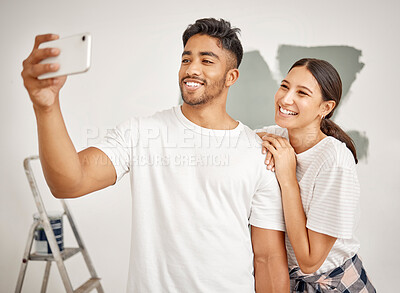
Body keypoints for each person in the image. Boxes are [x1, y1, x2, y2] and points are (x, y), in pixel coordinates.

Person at [21, 18, 290, 292]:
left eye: (206, 61)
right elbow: (69, 182)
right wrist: (46, 106)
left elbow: (267, 258)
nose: (191, 69)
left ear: (231, 77)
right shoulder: (141, 133)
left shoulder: (258, 153)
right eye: (186, 60)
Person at [257, 58, 376, 292]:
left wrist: (288, 178)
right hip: (286, 283)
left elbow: (310, 261)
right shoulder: (275, 135)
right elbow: (232, 139)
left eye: (302, 93)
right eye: (284, 86)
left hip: (334, 285)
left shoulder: (334, 160)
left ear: (325, 108)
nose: (286, 99)